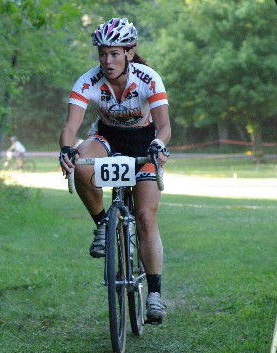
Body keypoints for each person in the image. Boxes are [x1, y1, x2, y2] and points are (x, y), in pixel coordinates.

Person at [58, 18, 172, 324]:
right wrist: (66, 150)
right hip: (107, 139)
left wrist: (158, 145)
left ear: (129, 54)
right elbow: (71, 127)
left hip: (143, 143)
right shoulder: (88, 82)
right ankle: (102, 225)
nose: (107, 61)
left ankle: (155, 294)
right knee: (82, 162)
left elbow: (164, 126)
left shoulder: (149, 79)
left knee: (147, 218)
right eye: (102, 54)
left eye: (114, 54)